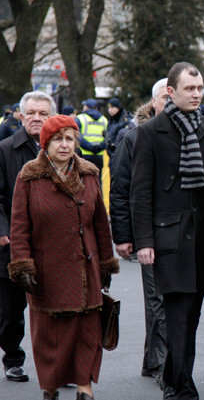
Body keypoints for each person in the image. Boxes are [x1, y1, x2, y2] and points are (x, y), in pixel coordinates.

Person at [130, 62, 204, 400]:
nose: (197, 94)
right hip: (168, 239)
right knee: (177, 314)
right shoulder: (149, 133)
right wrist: (143, 241)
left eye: (200, 88)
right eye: (190, 88)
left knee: (192, 316)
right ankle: (184, 387)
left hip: (202, 239)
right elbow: (140, 193)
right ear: (171, 92)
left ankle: (172, 378)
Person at [7, 114, 119, 400]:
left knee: (87, 336)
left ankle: (85, 390)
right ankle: (51, 390)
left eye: (70, 138)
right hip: (47, 273)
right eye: (58, 139)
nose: (65, 145)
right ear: (45, 143)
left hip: (86, 270)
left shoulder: (90, 174)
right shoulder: (29, 177)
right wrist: (22, 266)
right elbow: (19, 226)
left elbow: (100, 225)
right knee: (50, 339)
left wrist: (106, 262)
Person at [110, 78, 168, 381]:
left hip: (179, 233)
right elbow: (120, 189)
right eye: (164, 97)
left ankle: (152, 361)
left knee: (171, 299)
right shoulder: (133, 138)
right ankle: (160, 364)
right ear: (154, 102)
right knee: (157, 299)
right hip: (149, 232)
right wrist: (123, 236)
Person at [0, 91, 55, 384]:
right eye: (30, 113)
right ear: (20, 116)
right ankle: (12, 358)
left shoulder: (67, 149)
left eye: (43, 113)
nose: (36, 118)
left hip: (55, 244)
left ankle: (59, 364)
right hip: (14, 244)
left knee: (58, 308)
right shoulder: (5, 150)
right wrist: (4, 231)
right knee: (11, 311)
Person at [75, 98, 108, 181]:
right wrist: (99, 147)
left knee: (83, 181)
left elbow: (77, 136)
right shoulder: (104, 120)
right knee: (97, 180)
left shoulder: (80, 118)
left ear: (86, 107)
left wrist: (89, 147)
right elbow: (107, 138)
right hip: (99, 155)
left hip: (84, 154)